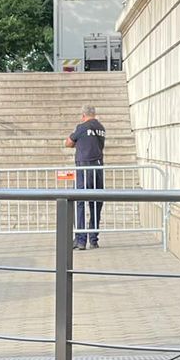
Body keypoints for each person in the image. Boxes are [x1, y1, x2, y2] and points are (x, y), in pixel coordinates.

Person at [64, 104, 107, 250]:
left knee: (80, 201)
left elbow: (68, 143)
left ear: (83, 115)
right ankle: (93, 240)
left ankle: (81, 240)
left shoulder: (81, 127)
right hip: (98, 168)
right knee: (96, 203)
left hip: (84, 168)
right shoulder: (101, 128)